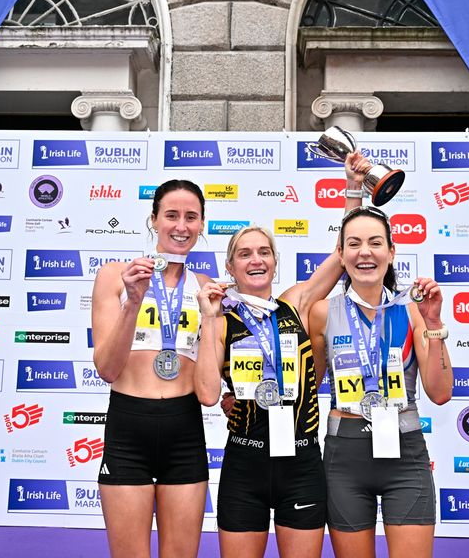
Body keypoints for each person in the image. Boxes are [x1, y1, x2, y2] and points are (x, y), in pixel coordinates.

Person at [195, 152, 370, 558]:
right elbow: (206, 394)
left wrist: (353, 190)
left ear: (275, 263)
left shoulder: (296, 303)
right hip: (245, 460)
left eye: (264, 252)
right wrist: (207, 319)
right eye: (244, 254)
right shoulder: (221, 321)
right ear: (230, 266)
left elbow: (343, 254)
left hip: (302, 461)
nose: (255, 259)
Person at [308, 206, 453, 558]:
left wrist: (434, 324)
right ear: (340, 254)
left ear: (391, 251)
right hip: (345, 459)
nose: (365, 252)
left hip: (405, 454)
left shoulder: (413, 310)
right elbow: (307, 387)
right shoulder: (323, 312)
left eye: (375, 242)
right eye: (354, 244)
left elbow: (440, 392)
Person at [91, 179, 212, 558]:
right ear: (154, 220)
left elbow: (211, 382)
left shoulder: (207, 288)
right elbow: (107, 369)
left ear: (202, 224)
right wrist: (134, 301)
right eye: (171, 215)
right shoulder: (116, 276)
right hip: (129, 428)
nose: (181, 226)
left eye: (191, 217)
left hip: (184, 431)